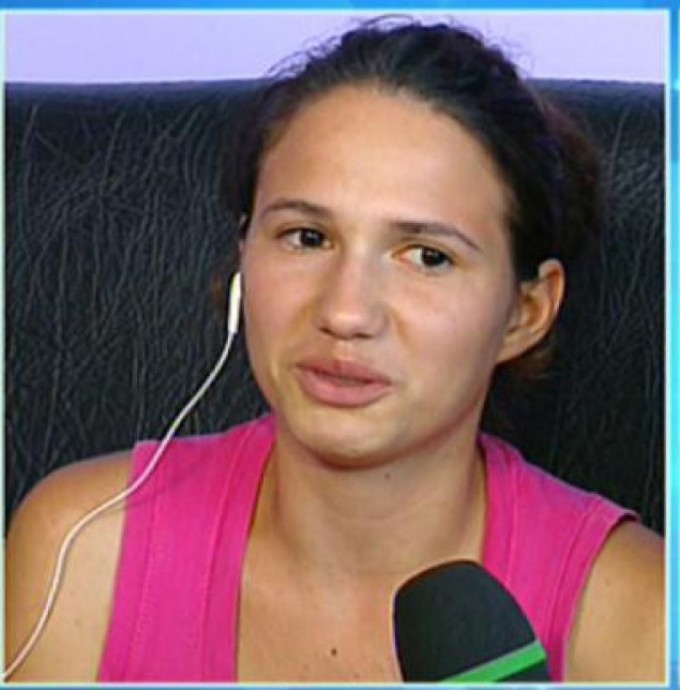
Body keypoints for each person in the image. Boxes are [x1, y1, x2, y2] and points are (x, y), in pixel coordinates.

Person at [5, 17, 664, 682]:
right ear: (243, 257)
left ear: (526, 313)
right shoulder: (81, 550)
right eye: (307, 238)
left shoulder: (643, 614)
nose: (346, 313)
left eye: (427, 256)